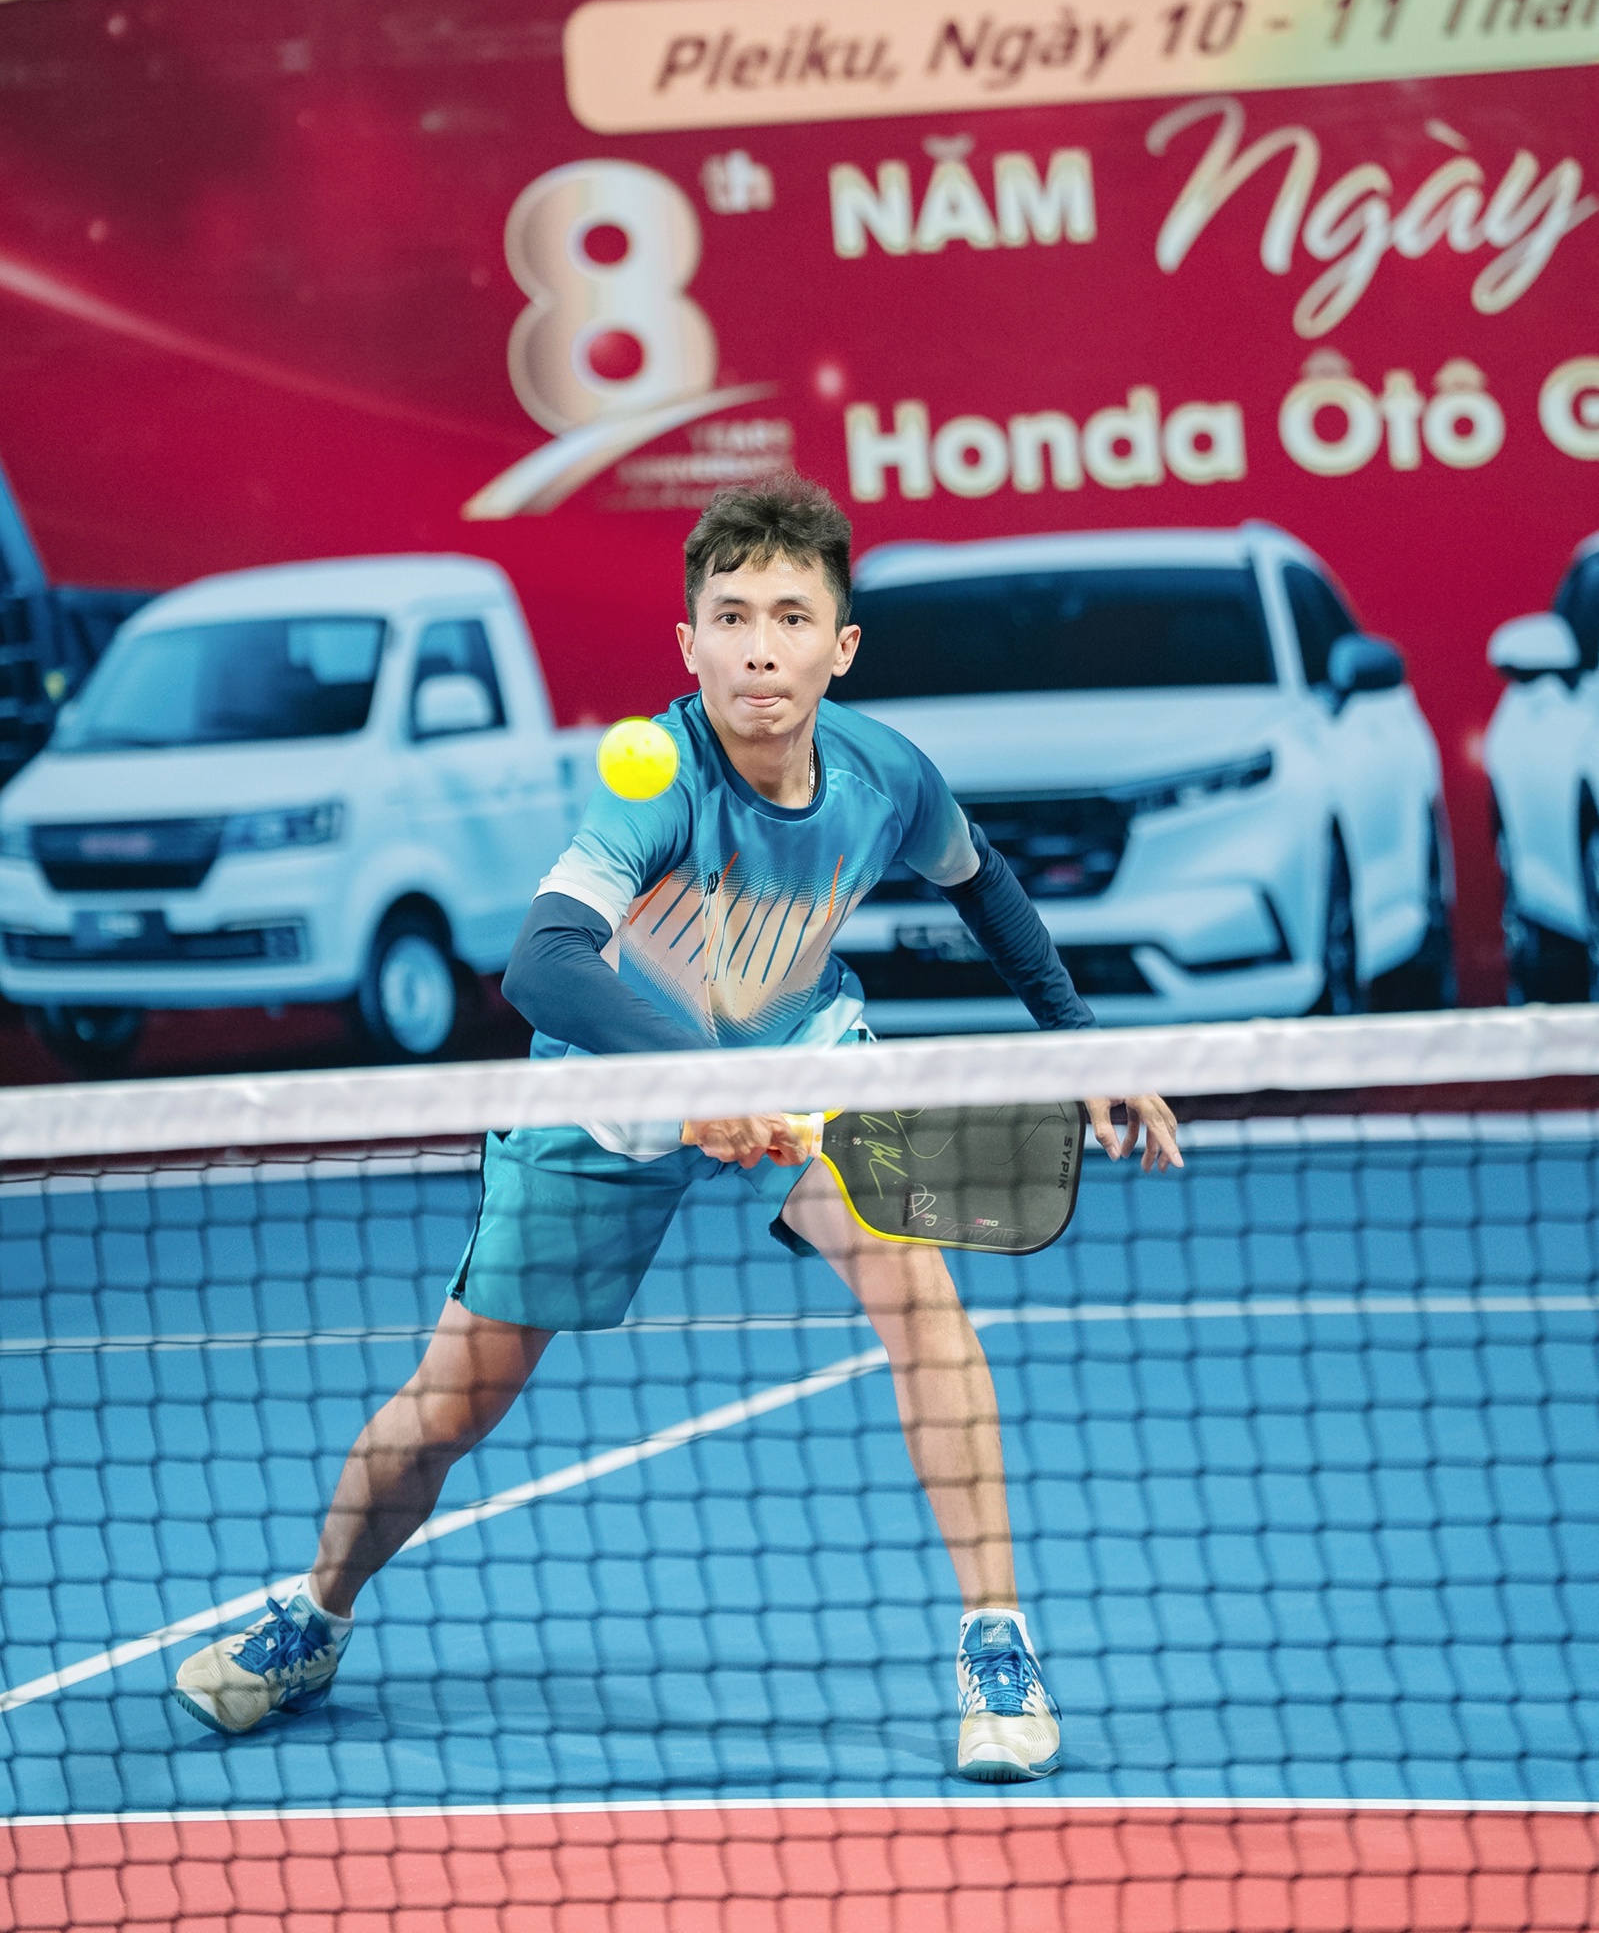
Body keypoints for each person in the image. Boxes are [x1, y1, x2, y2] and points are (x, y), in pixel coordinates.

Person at [173, 475, 1182, 1775]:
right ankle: (315, 1620)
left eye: (791, 619)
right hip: (608, 1095)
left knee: (920, 1299)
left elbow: (985, 888)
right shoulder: (654, 782)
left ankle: (998, 1642)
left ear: (840, 646)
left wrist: (1088, 1050)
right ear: (689, 644)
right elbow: (542, 965)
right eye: (732, 618)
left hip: (807, 1061)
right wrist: (703, 1085)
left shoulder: (886, 776)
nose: (761, 648)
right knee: (451, 1404)